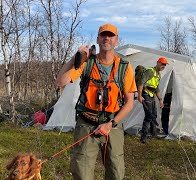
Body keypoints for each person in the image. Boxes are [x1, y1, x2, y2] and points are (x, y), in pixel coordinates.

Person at [55, 23, 136, 180]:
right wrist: (76, 57)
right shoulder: (88, 63)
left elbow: (129, 103)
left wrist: (110, 124)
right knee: (82, 172)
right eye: (103, 35)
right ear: (98, 39)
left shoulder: (124, 67)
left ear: (116, 40)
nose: (107, 38)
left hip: (113, 124)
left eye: (111, 35)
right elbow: (60, 82)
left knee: (116, 172)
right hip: (87, 124)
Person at [137, 57, 168, 144]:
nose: (163, 66)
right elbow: (141, 82)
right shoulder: (150, 71)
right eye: (162, 64)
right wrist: (139, 96)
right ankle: (143, 137)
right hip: (145, 94)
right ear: (158, 63)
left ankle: (153, 134)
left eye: (164, 65)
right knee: (148, 115)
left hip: (152, 95)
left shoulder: (158, 75)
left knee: (154, 114)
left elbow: (156, 88)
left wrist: (160, 100)